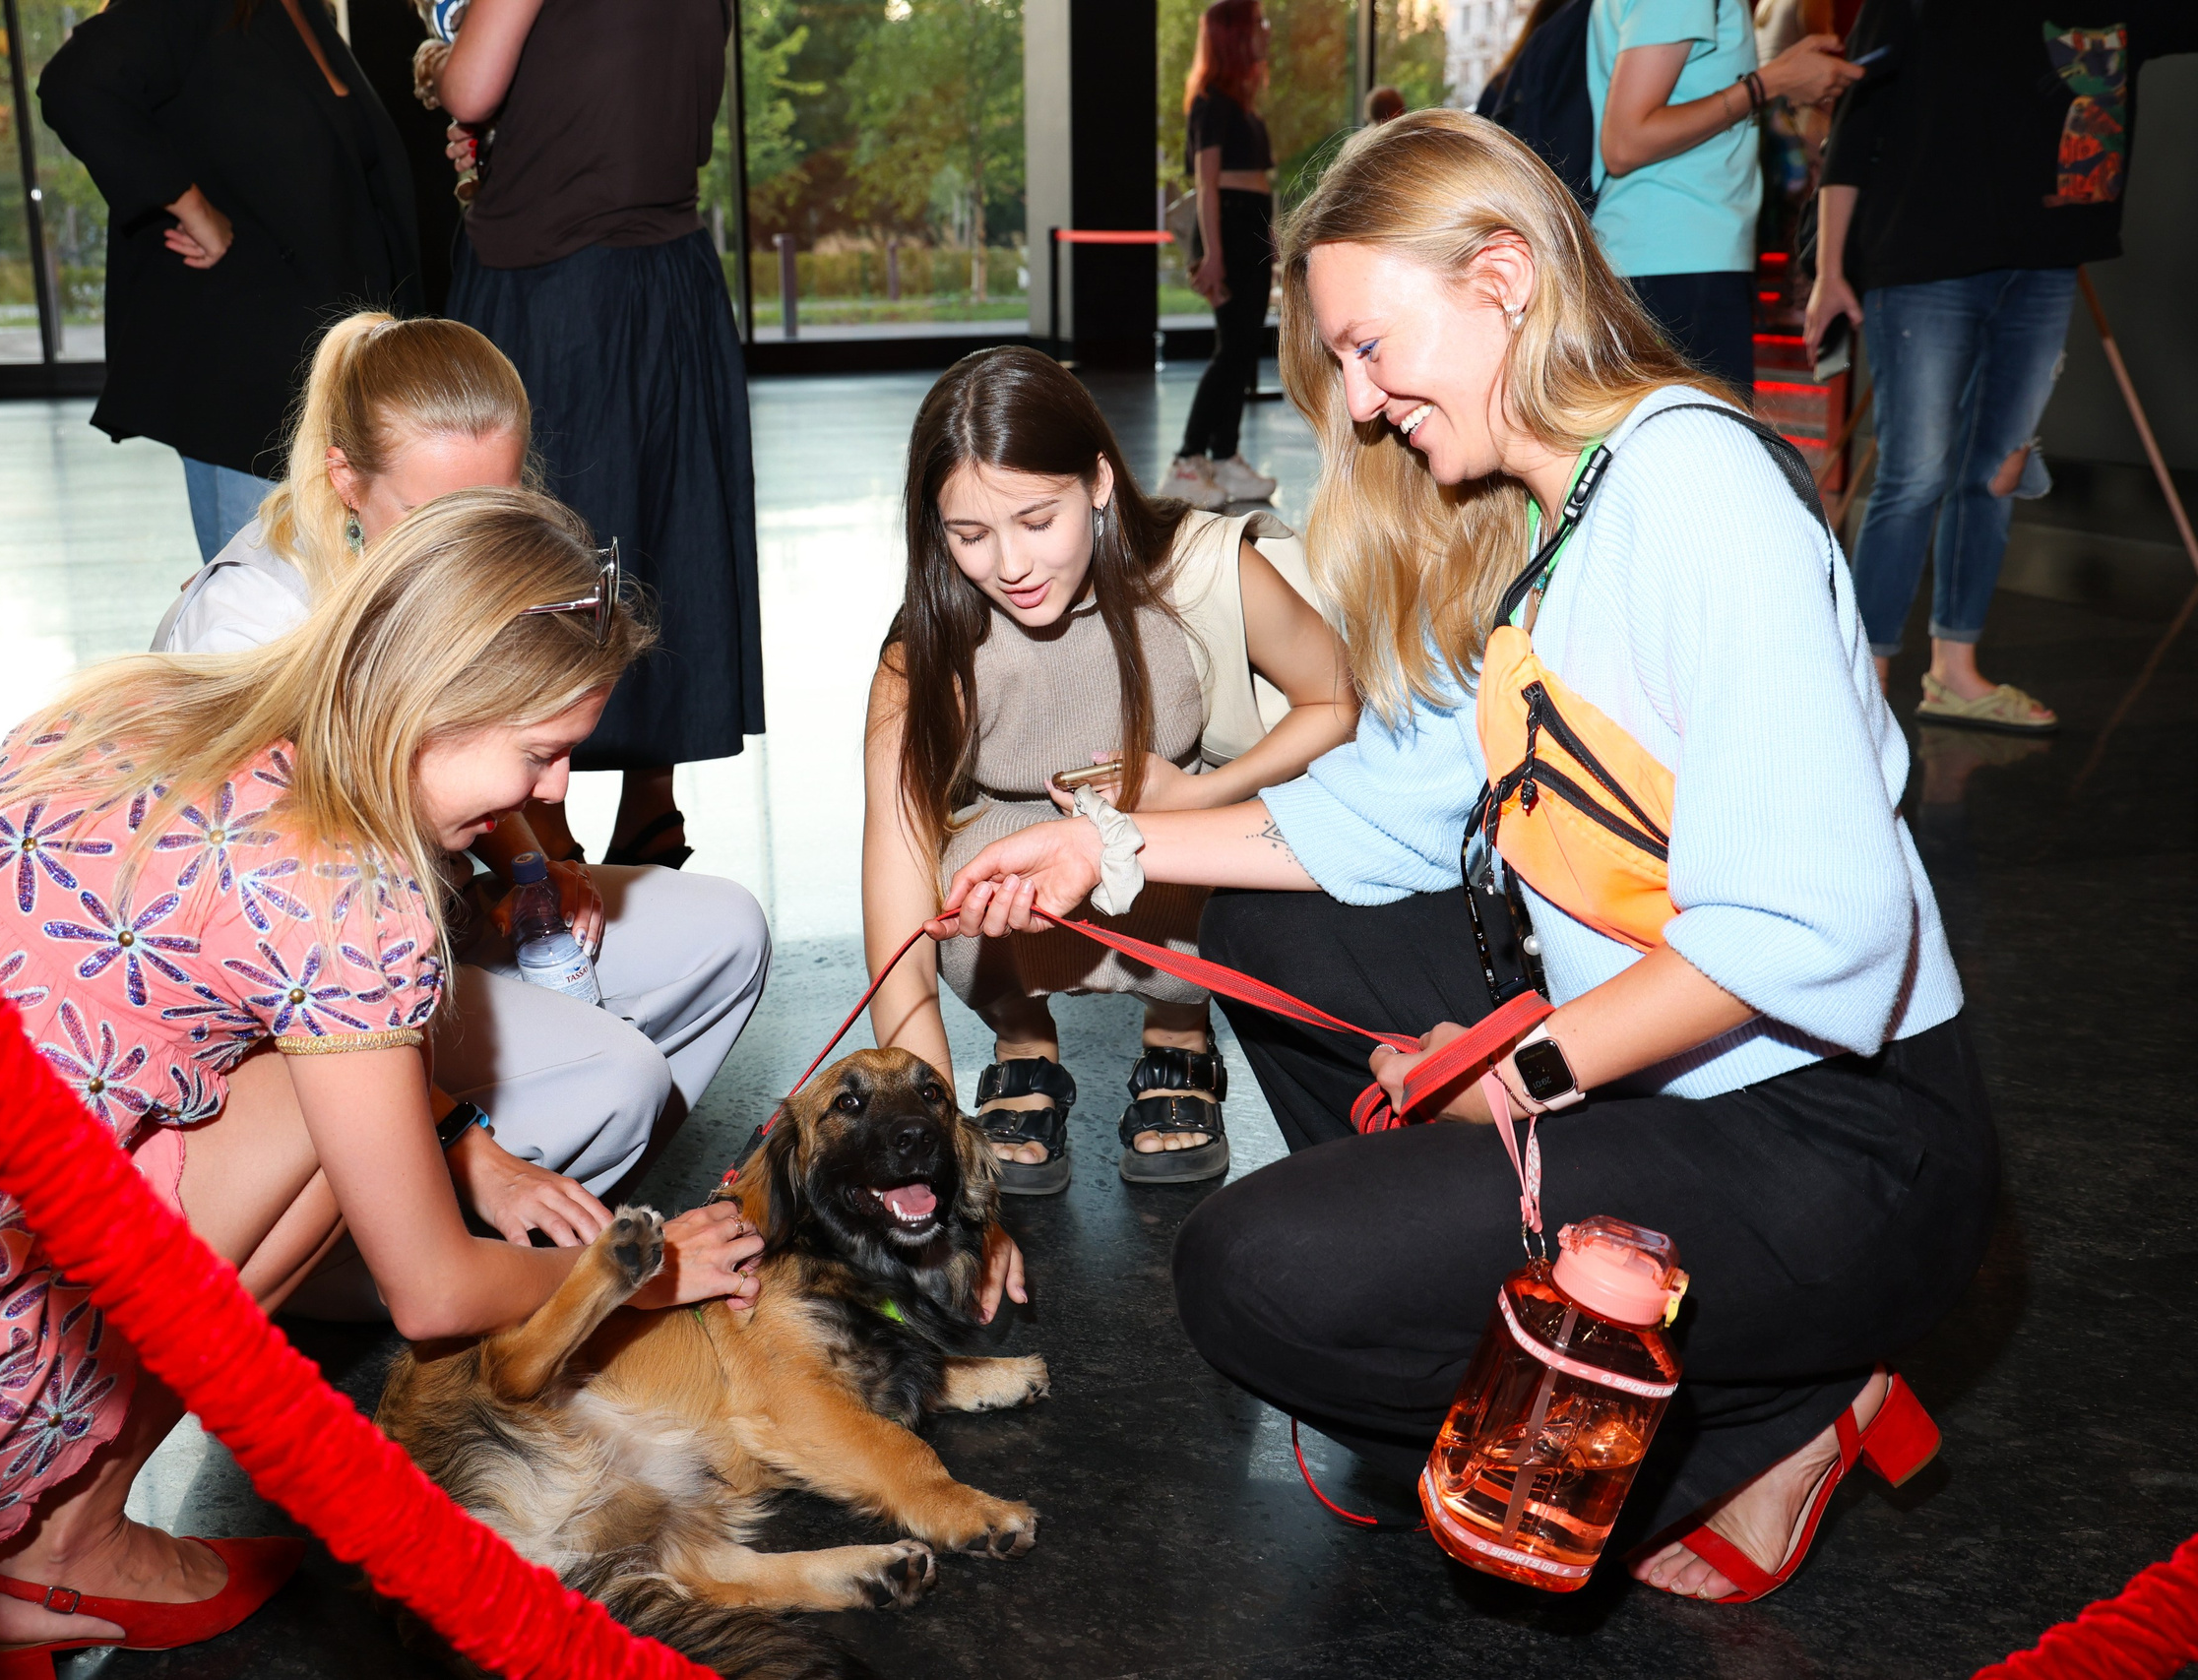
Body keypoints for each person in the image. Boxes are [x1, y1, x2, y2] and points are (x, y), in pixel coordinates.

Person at [941, 112, 1996, 1603]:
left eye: (1372, 348)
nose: (1361, 407)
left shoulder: (1699, 494)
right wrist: (1106, 847)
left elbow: (1816, 925)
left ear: (1502, 277)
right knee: (1251, 916)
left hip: (1846, 1147)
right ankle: (1492, 1285)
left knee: (1256, 1277)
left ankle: (1770, 1411)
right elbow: (1382, 811)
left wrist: (1530, 1064)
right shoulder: (1570, 512)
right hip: (1685, 1079)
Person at [0, 490, 772, 1666]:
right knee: (334, 1118)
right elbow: (427, 1291)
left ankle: (24, 1528)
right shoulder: (353, 896)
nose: (547, 791)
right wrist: (635, 1276)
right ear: (435, 700)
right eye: (540, 750)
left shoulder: (144, 699)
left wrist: (462, 1137)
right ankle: (63, 1546)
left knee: (338, 1078)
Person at [155, 310, 770, 1239]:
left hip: (430, 924)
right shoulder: (247, 629)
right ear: (344, 479)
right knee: (620, 1077)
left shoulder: (466, 564)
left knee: (726, 929)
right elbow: (290, 974)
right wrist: (466, 1141)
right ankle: (387, 1239)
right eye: (439, 512)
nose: (481, 536)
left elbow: (489, 741)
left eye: (505, 498)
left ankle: (562, 1202)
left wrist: (529, 866)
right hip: (313, 1002)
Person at [869, 346, 1353, 1194]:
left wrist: (1199, 795)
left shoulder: (1197, 568)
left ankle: (1179, 1030)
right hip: (1018, 858)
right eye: (970, 535)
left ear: (1097, 480)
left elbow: (1336, 699)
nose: (1010, 565)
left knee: (1217, 867)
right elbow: (897, 911)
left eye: (1036, 519)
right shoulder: (924, 648)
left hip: (1174, 837)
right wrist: (926, 1126)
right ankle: (1021, 1044)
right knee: (954, 882)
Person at [1806, 0, 2198, 733]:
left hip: (2044, 265)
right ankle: (1863, 680)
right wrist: (1830, 270)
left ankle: (1954, 670)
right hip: (1922, 264)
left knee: (1998, 471)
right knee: (1915, 473)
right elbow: (1855, 130)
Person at [432, 0, 762, 870]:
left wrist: (438, 66)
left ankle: (542, 811)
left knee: (542, 541)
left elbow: (471, 87)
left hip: (554, 278)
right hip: (670, 276)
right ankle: (654, 804)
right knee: (661, 524)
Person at [37, 0, 423, 559]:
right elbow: (77, 83)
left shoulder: (299, 11)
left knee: (314, 609)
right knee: (262, 616)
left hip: (323, 373)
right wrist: (189, 206)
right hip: (254, 386)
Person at [1587, 0, 1859, 392]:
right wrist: (1769, 83)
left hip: (1668, 257)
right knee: (1702, 447)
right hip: (1677, 261)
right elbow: (1626, 143)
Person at [1159, 0, 1283, 514]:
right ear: (1234, 35)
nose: (1265, 30)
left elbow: (1255, 182)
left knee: (1242, 348)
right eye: (1256, 23)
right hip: (1227, 227)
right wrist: (1212, 254)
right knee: (1231, 350)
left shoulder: (1243, 105)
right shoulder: (1211, 101)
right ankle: (1187, 461)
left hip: (1247, 224)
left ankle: (1224, 453)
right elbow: (1206, 184)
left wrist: (1268, 239)